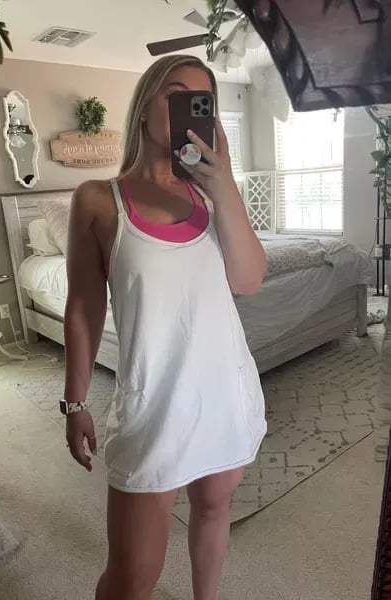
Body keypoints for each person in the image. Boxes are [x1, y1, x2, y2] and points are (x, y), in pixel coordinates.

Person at [63, 54, 268, 600]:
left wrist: (225, 186)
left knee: (214, 509)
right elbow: (83, 307)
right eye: (175, 94)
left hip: (225, 393)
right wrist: (75, 401)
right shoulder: (97, 200)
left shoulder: (214, 195)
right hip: (154, 405)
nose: (188, 109)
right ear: (144, 105)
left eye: (201, 102)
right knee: (131, 577)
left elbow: (249, 280)